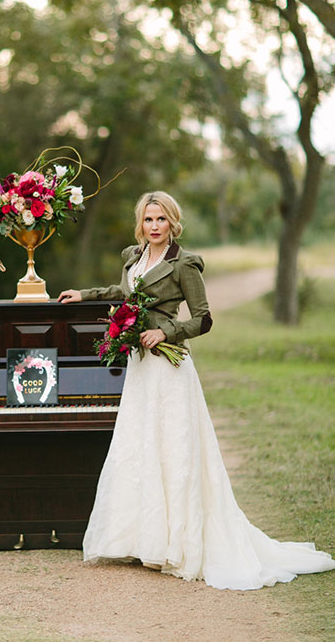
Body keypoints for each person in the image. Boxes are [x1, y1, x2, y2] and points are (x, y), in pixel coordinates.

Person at [58, 190, 335, 591]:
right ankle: (142, 539)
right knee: (141, 446)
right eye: (149, 220)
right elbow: (124, 294)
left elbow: (203, 319)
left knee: (173, 449)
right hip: (140, 369)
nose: (155, 226)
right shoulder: (133, 257)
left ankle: (175, 544)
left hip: (169, 368)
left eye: (162, 220)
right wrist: (85, 295)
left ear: (173, 222)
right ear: (142, 223)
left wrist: (164, 330)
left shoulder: (184, 263)